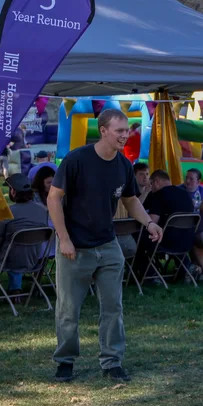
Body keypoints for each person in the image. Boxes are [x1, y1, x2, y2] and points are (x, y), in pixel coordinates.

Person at [47, 109, 163, 383]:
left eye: (127, 130)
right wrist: (64, 238)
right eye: (119, 130)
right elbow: (53, 198)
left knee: (113, 307)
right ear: (103, 131)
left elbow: (131, 200)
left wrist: (149, 224)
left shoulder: (123, 164)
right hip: (74, 246)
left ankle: (112, 362)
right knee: (68, 310)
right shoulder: (77, 160)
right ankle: (65, 362)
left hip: (108, 245)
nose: (125, 135)